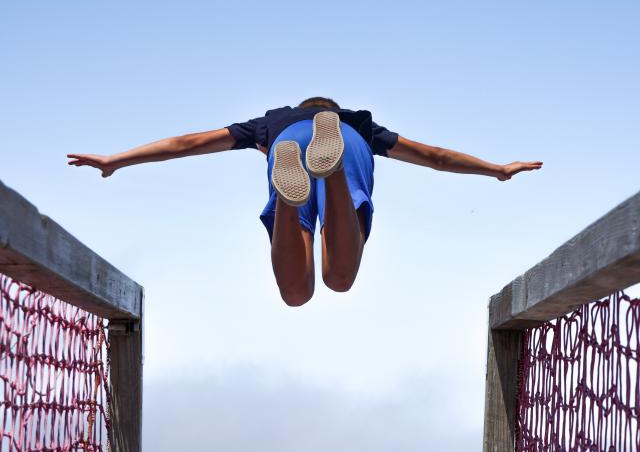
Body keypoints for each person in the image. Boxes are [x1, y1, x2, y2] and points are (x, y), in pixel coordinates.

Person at [68, 96, 542, 306]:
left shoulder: (269, 125)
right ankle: (331, 169)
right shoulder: (359, 124)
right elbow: (437, 158)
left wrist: (117, 159)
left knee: (296, 294)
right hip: (349, 148)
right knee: (340, 279)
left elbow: (185, 143)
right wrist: (496, 169)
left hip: (285, 144)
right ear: (329, 112)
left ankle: (291, 192)